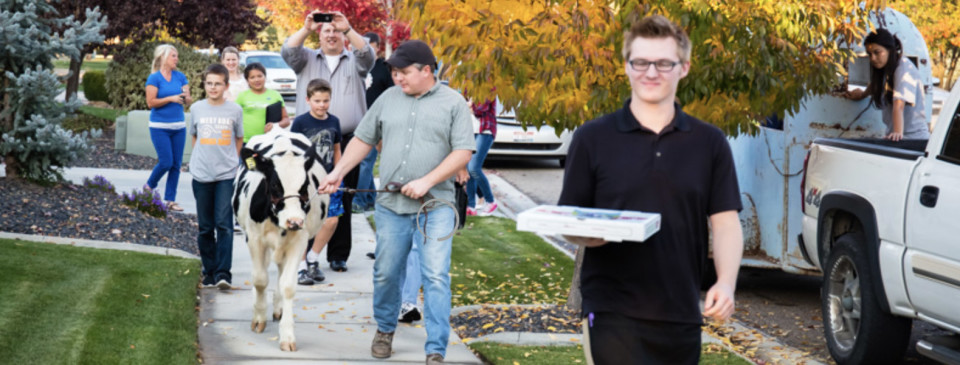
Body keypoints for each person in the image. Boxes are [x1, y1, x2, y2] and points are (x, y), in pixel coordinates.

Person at [557, 15, 744, 365]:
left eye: (663, 63)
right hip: (612, 308)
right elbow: (570, 219)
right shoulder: (592, 138)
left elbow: (725, 223)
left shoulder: (709, 143)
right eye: (640, 62)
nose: (651, 72)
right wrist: (593, 234)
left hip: (681, 310)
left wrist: (726, 282)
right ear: (627, 66)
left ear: (684, 68)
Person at [317, 40, 474, 365]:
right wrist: (338, 172)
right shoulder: (388, 99)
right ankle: (386, 329)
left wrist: (427, 181)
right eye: (395, 72)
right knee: (386, 272)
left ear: (427, 70)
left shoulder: (453, 103)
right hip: (391, 206)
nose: (397, 78)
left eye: (404, 72)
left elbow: (463, 152)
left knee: (435, 276)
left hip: (437, 208)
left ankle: (436, 349)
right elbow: (363, 139)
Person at [282, 10, 376, 272]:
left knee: (342, 197)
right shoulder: (305, 59)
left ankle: (338, 255)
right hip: (309, 142)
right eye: (327, 31)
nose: (332, 35)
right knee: (308, 198)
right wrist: (306, 28)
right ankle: (308, 255)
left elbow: (368, 55)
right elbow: (287, 51)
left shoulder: (354, 61)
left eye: (336, 31)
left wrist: (348, 29)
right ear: (319, 36)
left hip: (348, 143)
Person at [188, 64, 244, 290]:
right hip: (201, 174)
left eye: (217, 83)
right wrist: (199, 158)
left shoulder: (234, 110)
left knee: (224, 224)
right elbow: (194, 136)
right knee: (205, 226)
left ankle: (223, 273)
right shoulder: (197, 108)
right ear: (204, 85)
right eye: (209, 83)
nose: (213, 87)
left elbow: (239, 138)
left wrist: (232, 159)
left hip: (226, 175)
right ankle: (209, 271)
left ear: (226, 86)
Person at [290, 79, 344, 286]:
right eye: (317, 101)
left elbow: (337, 149)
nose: (322, 105)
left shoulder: (334, 121)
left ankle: (313, 258)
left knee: (331, 220)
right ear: (308, 100)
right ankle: (301, 266)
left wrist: (338, 173)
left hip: (329, 178)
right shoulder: (301, 122)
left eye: (326, 101)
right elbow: (293, 150)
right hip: (305, 180)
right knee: (304, 222)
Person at [842, 28, 930, 141]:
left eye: (877, 52)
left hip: (912, 139)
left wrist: (897, 133)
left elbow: (899, 105)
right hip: (894, 136)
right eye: (869, 54)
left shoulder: (903, 69)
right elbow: (876, 83)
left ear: (889, 49)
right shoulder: (886, 68)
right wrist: (862, 94)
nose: (873, 58)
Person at [144, 44, 191, 212]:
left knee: (176, 165)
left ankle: (170, 200)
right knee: (166, 161)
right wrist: (170, 98)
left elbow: (188, 100)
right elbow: (151, 103)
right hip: (159, 127)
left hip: (179, 126)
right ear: (163, 57)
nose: (176, 59)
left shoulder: (180, 77)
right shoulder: (154, 78)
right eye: (173, 56)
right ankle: (149, 187)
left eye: (176, 56)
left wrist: (186, 97)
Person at [355, 31, 395, 213]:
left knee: (365, 161)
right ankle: (370, 197)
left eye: (371, 47)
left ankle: (359, 200)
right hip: (358, 119)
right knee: (365, 161)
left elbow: (393, 95)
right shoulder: (356, 66)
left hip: (378, 121)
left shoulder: (386, 68)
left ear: (378, 47)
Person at [235, 63, 290, 144]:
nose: (257, 80)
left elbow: (286, 120)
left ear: (265, 77)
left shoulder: (275, 95)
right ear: (247, 80)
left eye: (260, 76)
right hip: (246, 142)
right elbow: (233, 119)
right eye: (252, 77)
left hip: (269, 142)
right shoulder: (242, 96)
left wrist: (276, 125)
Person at [465, 97, 498, 216]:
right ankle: (470, 206)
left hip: (485, 131)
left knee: (474, 168)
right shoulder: (468, 87)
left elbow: (480, 110)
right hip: (471, 131)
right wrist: (468, 105)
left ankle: (491, 201)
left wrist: (470, 106)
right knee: (468, 169)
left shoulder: (489, 86)